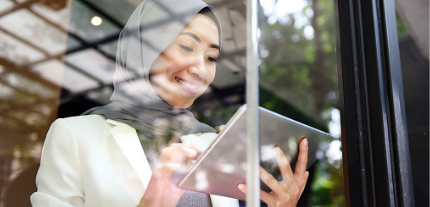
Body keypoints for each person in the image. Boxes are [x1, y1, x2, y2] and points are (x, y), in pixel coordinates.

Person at [30, 0, 309, 206]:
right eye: (187, 47)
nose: (201, 69)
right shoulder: (75, 135)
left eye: (211, 57)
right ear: (145, 46)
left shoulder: (212, 145)